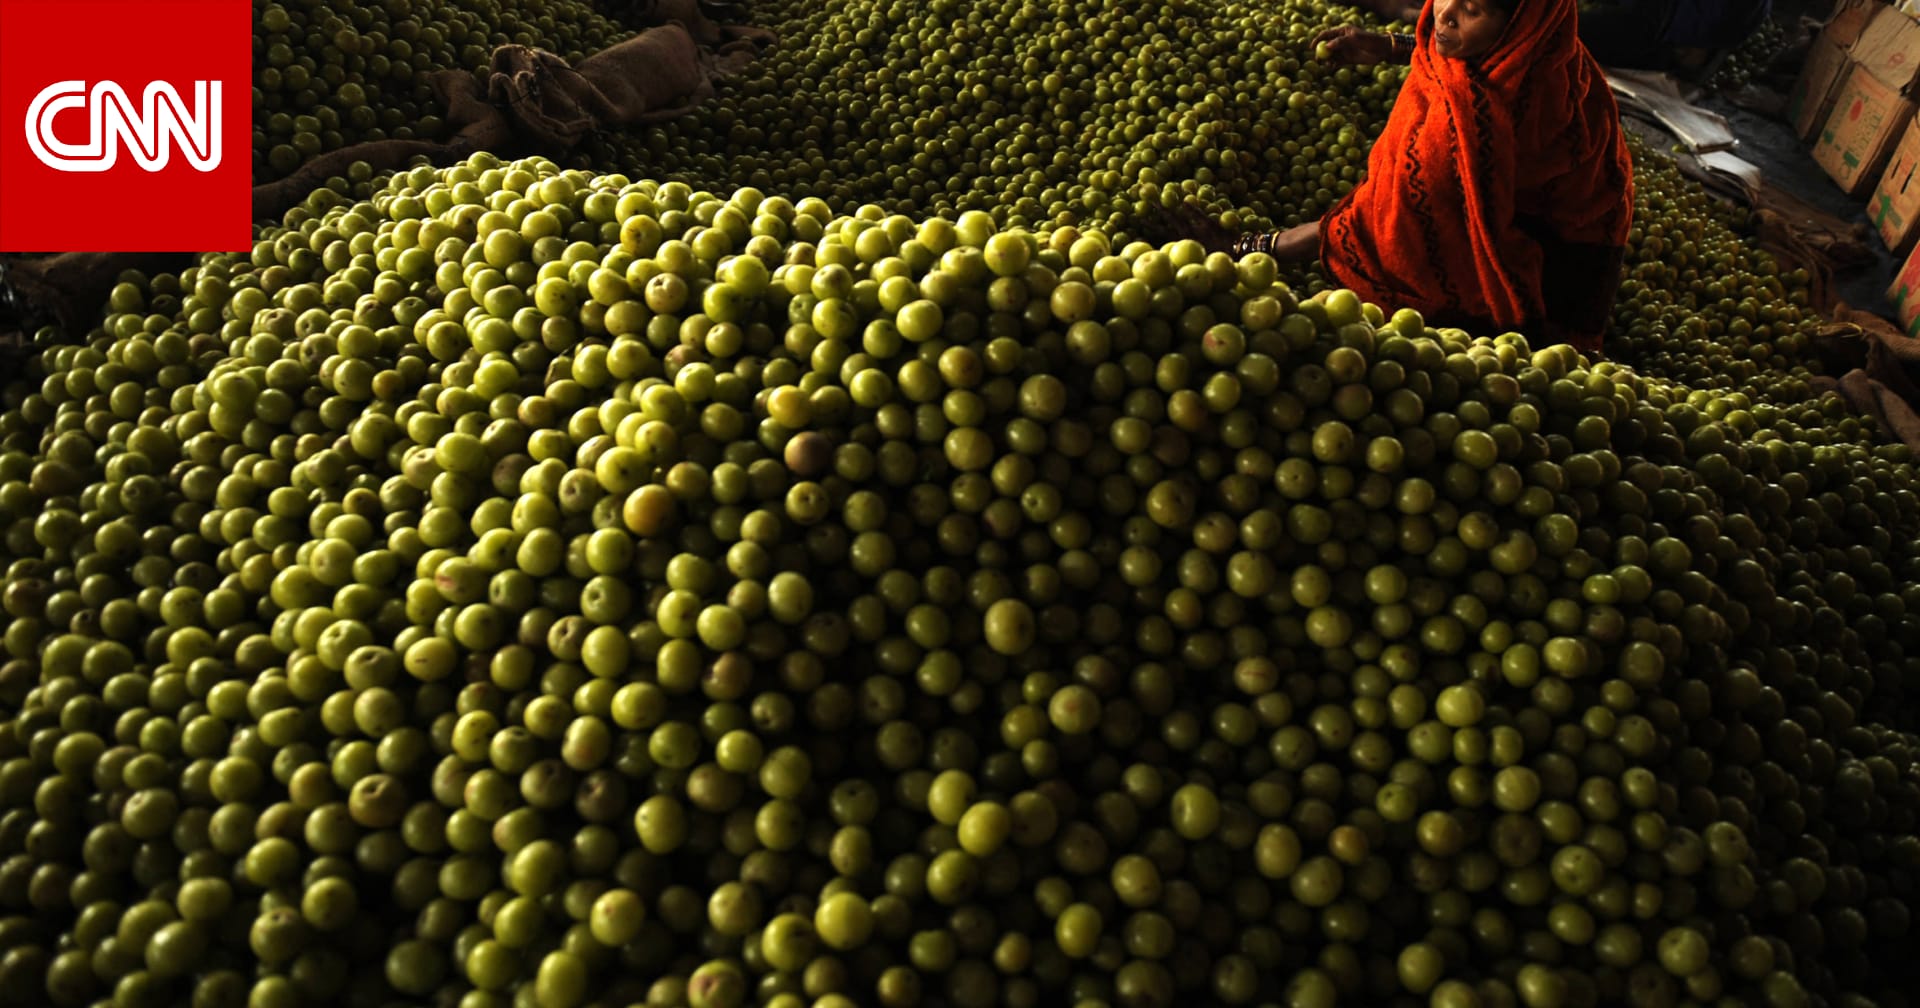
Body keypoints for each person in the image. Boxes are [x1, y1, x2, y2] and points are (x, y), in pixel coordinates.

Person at [1233, 0, 1635, 352]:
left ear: (1518, 26)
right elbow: (1468, 53)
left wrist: (1255, 247)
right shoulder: (1553, 55)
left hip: (1525, 287)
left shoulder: (1469, 131)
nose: (1445, 15)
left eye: (1472, 9)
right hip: (1588, 266)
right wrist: (1394, 45)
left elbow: (1379, 224)